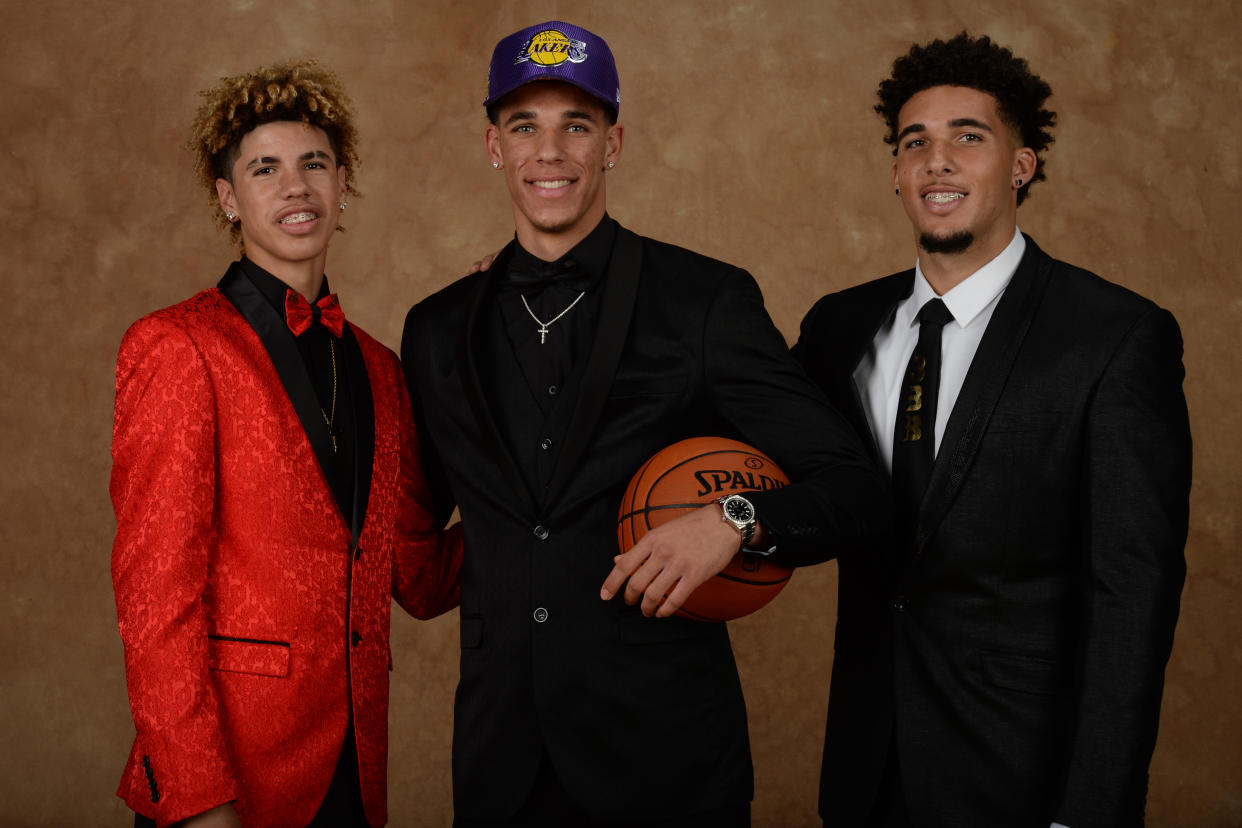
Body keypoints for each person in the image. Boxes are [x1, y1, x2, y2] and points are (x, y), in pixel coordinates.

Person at [400, 20, 887, 827]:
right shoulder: (436, 327)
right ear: (494, 145)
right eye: (525, 126)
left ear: (613, 143)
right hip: (498, 764)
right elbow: (416, 527)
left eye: (576, 126)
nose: (549, 152)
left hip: (668, 763)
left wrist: (736, 519)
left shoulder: (705, 301)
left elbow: (856, 492)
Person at [792, 33, 1191, 828]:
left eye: (967, 138)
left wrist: (1092, 807)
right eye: (916, 143)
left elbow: (1132, 599)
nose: (937, 161)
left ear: (1021, 164)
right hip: (864, 769)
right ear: (897, 173)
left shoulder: (1112, 337)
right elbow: (743, 438)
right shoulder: (840, 327)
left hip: (1022, 776)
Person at [110, 60, 462, 828]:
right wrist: (200, 800)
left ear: (343, 185)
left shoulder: (378, 366)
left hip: (354, 770)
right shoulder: (177, 346)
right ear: (228, 199)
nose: (295, 186)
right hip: (229, 777)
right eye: (264, 168)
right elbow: (154, 600)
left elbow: (420, 576)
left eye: (314, 164)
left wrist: (562, 502)